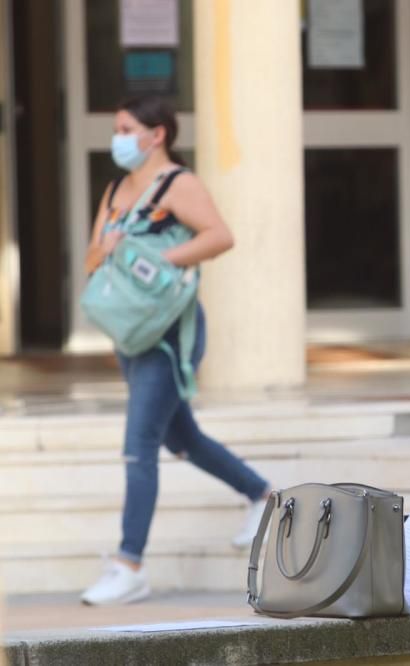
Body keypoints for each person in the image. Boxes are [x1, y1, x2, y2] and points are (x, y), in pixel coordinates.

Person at [80, 96, 271, 606]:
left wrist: (154, 258)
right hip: (130, 331)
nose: (117, 137)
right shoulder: (118, 188)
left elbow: (220, 235)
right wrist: (109, 251)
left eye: (126, 127)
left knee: (138, 444)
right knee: (181, 437)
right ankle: (263, 496)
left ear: (156, 133)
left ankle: (129, 564)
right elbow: (93, 255)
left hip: (169, 333)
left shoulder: (177, 184)